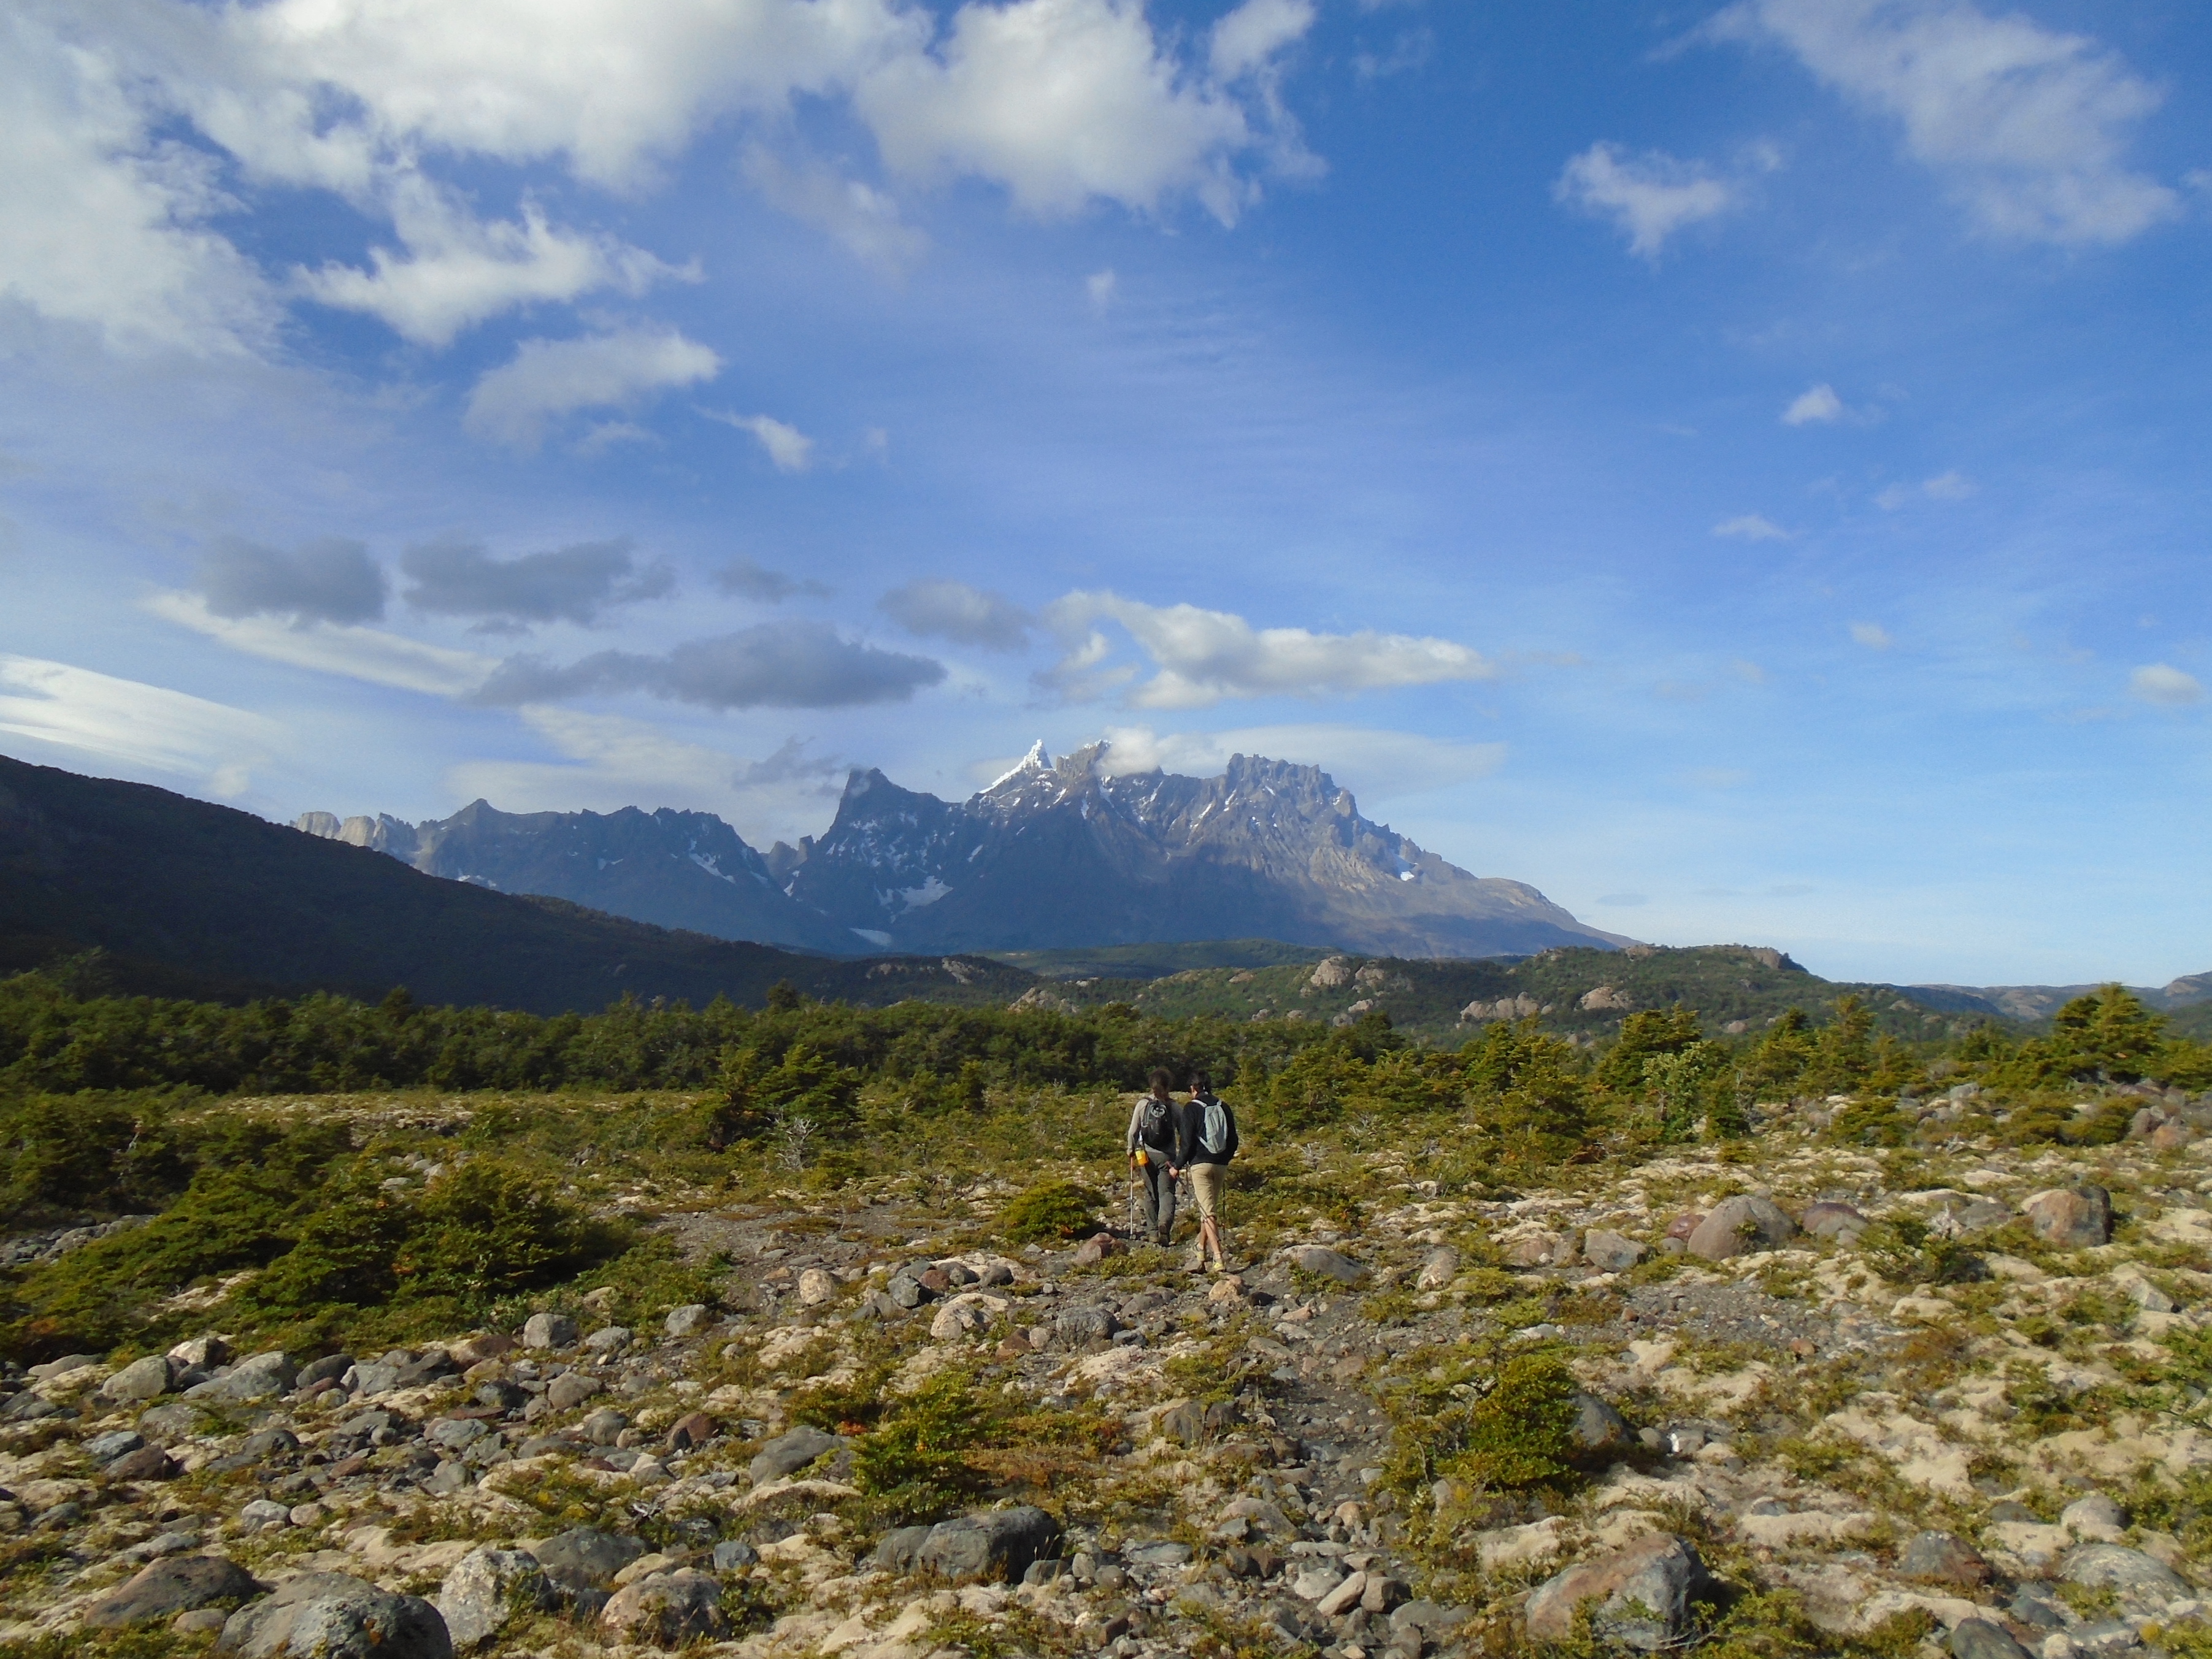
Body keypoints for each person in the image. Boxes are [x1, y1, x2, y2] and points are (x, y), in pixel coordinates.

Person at [1176, 1070, 1238, 1273]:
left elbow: (1186, 1144)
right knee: (1208, 1208)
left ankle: (1219, 1258)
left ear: (1193, 1088)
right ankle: (1200, 1248)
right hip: (1221, 1164)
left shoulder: (1191, 1109)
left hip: (1200, 1165)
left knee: (1208, 1211)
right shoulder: (1224, 1106)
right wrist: (1225, 1158)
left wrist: (1176, 1166)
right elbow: (1233, 1140)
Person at [1126, 1068, 1181, 1246]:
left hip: (1146, 1156)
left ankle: (1152, 1233)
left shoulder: (1142, 1104)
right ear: (1168, 1086)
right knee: (1166, 1193)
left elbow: (1133, 1132)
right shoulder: (1174, 1106)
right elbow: (1184, 1132)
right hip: (1167, 1156)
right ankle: (1164, 1223)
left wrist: (1130, 1150)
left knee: (1150, 1194)